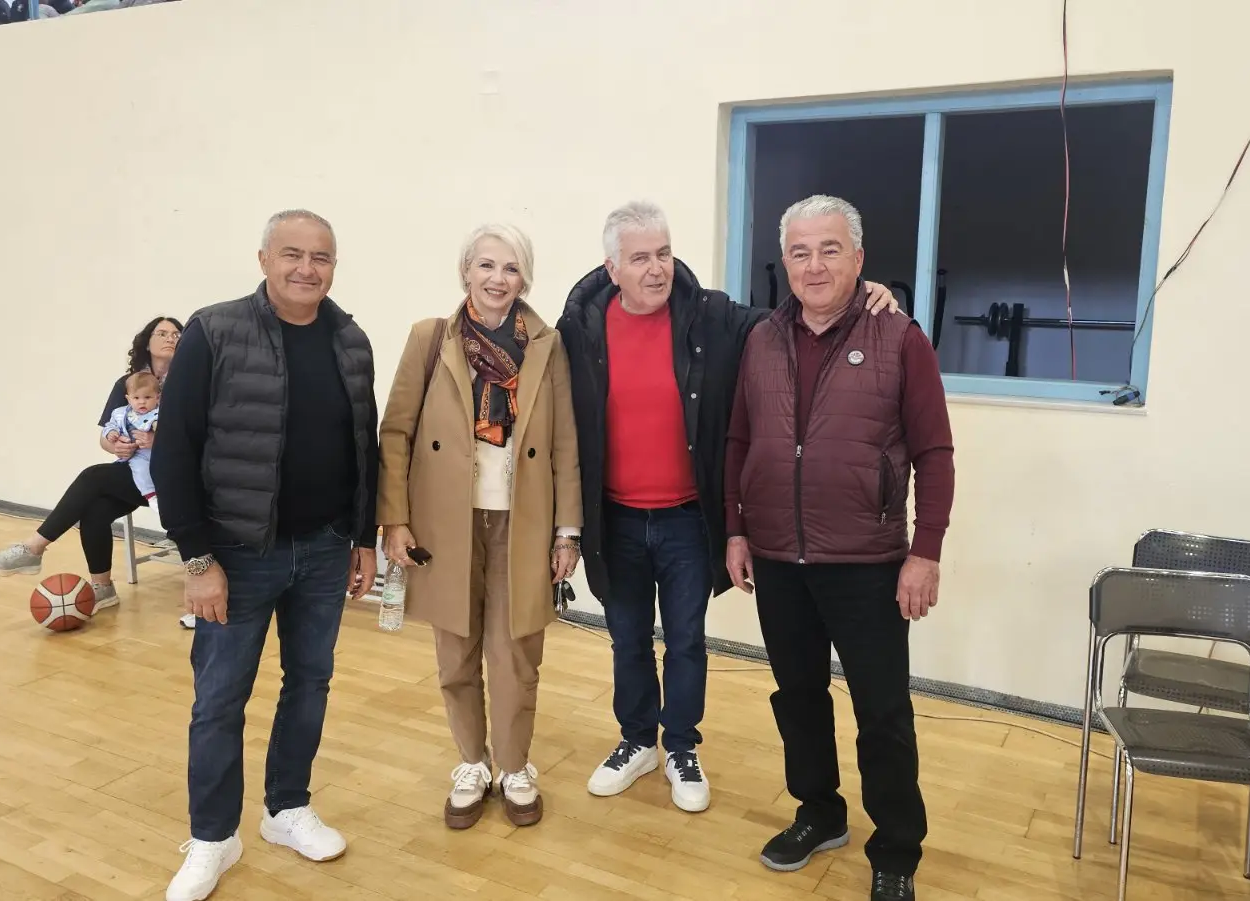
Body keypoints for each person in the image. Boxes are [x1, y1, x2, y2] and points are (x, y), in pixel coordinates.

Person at [557, 201, 897, 813]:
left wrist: (859, 292)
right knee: (626, 639)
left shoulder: (711, 315)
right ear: (612, 268)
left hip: (688, 519)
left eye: (664, 253)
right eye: (641, 258)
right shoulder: (579, 331)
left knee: (686, 641)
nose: (657, 269)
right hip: (615, 519)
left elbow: (791, 317)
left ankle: (681, 746)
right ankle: (637, 740)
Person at [723, 195, 954, 901]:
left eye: (830, 249)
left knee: (882, 711)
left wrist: (925, 551)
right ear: (784, 262)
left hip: (867, 562)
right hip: (777, 558)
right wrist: (736, 527)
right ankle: (819, 813)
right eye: (800, 251)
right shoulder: (761, 339)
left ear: (858, 258)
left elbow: (934, 452)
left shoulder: (899, 336)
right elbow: (739, 439)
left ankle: (897, 849)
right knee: (798, 697)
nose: (815, 265)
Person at [151, 209, 380, 901]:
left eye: (321, 257)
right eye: (292, 254)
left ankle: (286, 808)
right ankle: (213, 837)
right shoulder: (214, 331)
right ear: (263, 259)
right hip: (235, 554)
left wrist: (362, 538)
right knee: (219, 701)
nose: (307, 268)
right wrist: (198, 560)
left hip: (324, 549)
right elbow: (174, 450)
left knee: (309, 683)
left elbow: (364, 449)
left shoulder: (350, 339)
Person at [378, 223, 582, 830]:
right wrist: (394, 519)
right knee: (455, 651)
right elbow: (396, 433)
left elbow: (566, 442)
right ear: (466, 270)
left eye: (511, 268)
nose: (498, 279)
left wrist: (567, 531)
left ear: (525, 278)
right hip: (446, 521)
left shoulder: (547, 343)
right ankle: (471, 761)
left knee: (515, 653)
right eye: (487, 265)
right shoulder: (430, 338)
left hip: (523, 522)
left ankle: (514, 766)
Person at [0, 317, 183, 606]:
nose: (170, 338)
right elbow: (105, 437)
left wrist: (159, 442)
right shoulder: (127, 384)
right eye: (162, 333)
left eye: (176, 334)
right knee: (95, 510)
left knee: (92, 477)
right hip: (136, 469)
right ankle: (103, 588)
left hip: (176, 473)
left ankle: (33, 548)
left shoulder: (188, 382)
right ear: (147, 343)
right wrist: (117, 446)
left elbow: (201, 434)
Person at [100, 370, 160, 500]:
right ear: (128, 399)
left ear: (157, 398)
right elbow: (109, 427)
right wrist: (112, 437)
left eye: (147, 397)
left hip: (161, 458)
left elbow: (170, 428)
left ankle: (156, 496)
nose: (142, 402)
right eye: (136, 398)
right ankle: (151, 496)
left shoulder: (159, 412)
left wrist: (159, 439)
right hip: (135, 457)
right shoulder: (121, 413)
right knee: (94, 479)